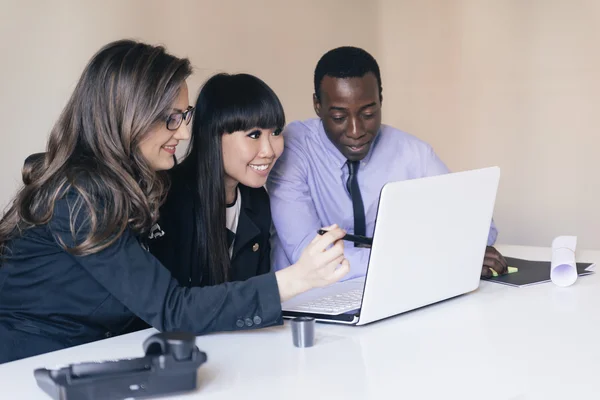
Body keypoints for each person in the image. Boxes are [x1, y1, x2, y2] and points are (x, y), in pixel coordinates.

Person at [0, 40, 349, 363]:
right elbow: (172, 308)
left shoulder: (131, 185)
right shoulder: (80, 196)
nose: (183, 133)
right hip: (31, 362)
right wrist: (296, 279)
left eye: (184, 115)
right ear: (127, 117)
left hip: (96, 352)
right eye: (171, 118)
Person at [267, 46, 506, 281]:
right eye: (339, 117)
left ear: (380, 100)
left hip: (391, 289)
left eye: (368, 114)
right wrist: (426, 256)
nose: (355, 131)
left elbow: (479, 224)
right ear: (317, 106)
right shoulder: (293, 148)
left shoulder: (412, 152)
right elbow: (308, 255)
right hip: (308, 302)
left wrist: (462, 249)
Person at [149, 73, 286, 288]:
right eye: (254, 135)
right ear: (213, 135)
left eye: (276, 132)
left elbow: (254, 295)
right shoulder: (167, 199)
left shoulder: (257, 201)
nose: (269, 151)